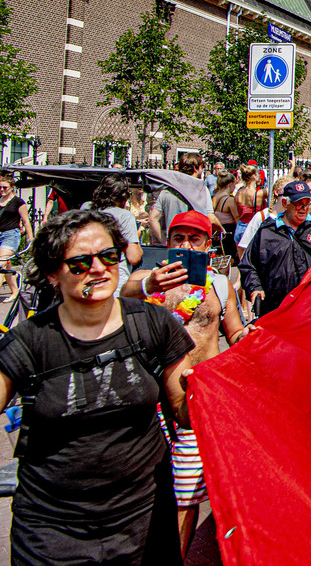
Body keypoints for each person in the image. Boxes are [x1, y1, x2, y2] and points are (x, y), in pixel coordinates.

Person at [0, 209, 195, 564]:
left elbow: (184, 412)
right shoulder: (29, 342)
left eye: (108, 256)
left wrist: (206, 392)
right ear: (52, 274)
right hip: (53, 530)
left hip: (143, 519)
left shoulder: (153, 324)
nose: (99, 268)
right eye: (79, 263)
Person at [121, 211, 250, 555]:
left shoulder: (221, 285)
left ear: (208, 245)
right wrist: (151, 286)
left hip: (197, 401)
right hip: (151, 403)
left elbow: (233, 330)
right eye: (178, 239)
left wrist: (248, 337)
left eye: (195, 239)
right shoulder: (149, 279)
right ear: (168, 243)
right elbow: (125, 291)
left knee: (186, 491)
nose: (186, 245)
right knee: (142, 489)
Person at [238, 181, 311, 317]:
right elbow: (248, 265)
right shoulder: (267, 231)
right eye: (298, 203)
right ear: (285, 204)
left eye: (307, 203)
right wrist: (255, 288)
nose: (303, 208)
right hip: (276, 309)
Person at [88, 174, 145, 296]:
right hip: (115, 284)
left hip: (89, 282)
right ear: (124, 196)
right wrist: (138, 237)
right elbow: (133, 257)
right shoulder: (124, 216)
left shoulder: (87, 211)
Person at [149, 153, 222, 243]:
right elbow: (211, 218)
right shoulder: (200, 188)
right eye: (202, 168)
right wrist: (221, 230)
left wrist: (164, 240)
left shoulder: (168, 189)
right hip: (194, 244)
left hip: (174, 243)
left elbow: (153, 218)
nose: (202, 170)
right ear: (196, 168)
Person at [0, 171, 34, 302]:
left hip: (10, 235)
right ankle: (15, 291)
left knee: (1, 264)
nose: (2, 190)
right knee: (6, 265)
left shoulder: (18, 202)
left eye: (4, 187)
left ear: (12, 187)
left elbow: (26, 221)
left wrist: (30, 238)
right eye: (0, 187)